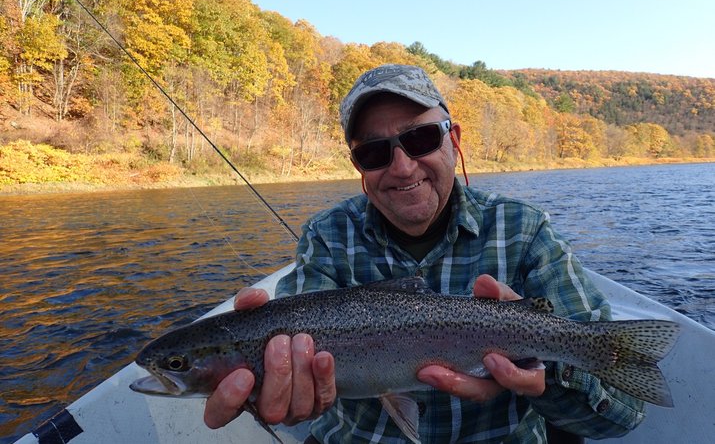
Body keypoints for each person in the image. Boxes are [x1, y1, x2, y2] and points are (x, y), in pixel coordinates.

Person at [204, 64, 646, 442]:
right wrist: (274, 395)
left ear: (453, 139)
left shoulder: (524, 229)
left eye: (419, 139)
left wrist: (543, 375)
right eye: (375, 152)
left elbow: (623, 414)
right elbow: (293, 362)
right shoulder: (327, 236)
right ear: (359, 165)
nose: (401, 166)